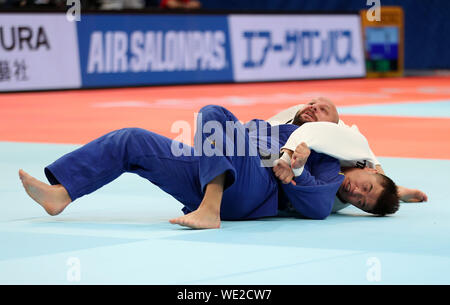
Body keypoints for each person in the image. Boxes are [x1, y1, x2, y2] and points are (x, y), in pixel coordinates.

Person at [18, 105, 398, 230]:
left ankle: (210, 210)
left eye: (363, 198)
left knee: (213, 115)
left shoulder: (332, 162)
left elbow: (317, 208)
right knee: (131, 139)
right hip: (217, 166)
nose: (358, 193)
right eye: (313, 103)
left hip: (252, 188)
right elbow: (382, 189)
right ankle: (61, 194)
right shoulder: (280, 127)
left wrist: (296, 168)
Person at [267, 97, 428, 213]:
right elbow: (306, 130)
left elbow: (372, 189)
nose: (356, 192)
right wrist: (286, 158)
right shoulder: (351, 143)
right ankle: (397, 189)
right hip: (315, 136)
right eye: (366, 187)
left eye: (361, 202)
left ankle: (395, 190)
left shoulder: (333, 203)